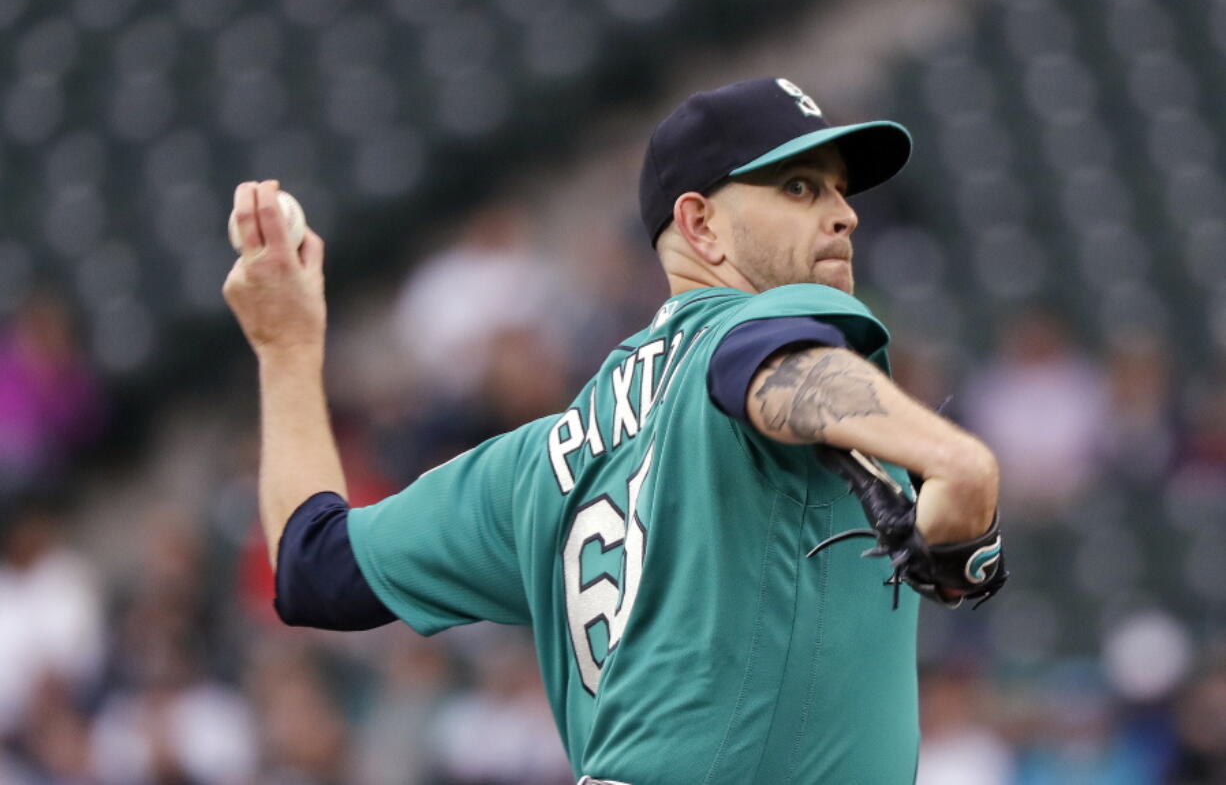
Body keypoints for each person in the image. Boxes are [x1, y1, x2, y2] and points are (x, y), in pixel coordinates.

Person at [222, 77, 1002, 784]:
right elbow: (764, 365)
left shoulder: (537, 463)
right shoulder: (759, 322)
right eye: (798, 187)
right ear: (701, 225)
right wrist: (953, 459)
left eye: (838, 189)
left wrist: (286, 350)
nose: (845, 212)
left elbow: (312, 563)